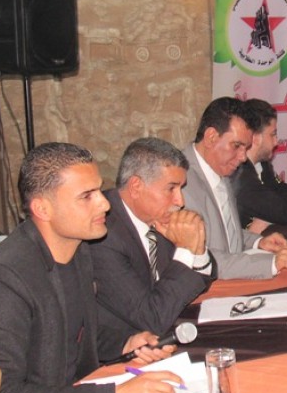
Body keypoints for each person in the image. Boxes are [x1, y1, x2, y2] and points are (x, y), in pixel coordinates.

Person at [0, 142, 181, 393]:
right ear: (42, 208)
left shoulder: (77, 251)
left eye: (99, 190)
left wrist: (126, 343)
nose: (104, 204)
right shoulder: (2, 281)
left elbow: (72, 334)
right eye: (86, 196)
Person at [90, 137, 216, 357]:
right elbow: (153, 318)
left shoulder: (154, 217)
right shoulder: (104, 235)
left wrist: (197, 247)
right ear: (136, 187)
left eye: (181, 188)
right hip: (124, 353)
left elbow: (204, 279)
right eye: (171, 188)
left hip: (164, 333)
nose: (180, 201)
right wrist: (184, 249)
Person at [182, 97, 287, 279]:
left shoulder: (219, 166)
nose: (243, 157)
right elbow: (200, 257)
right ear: (211, 137)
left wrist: (258, 242)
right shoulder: (180, 181)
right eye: (237, 146)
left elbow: (225, 236)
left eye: (246, 147)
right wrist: (271, 263)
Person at [231, 98, 287, 230]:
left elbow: (283, 195)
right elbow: (286, 213)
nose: (276, 142)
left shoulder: (262, 165)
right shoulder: (241, 175)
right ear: (255, 138)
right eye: (273, 134)